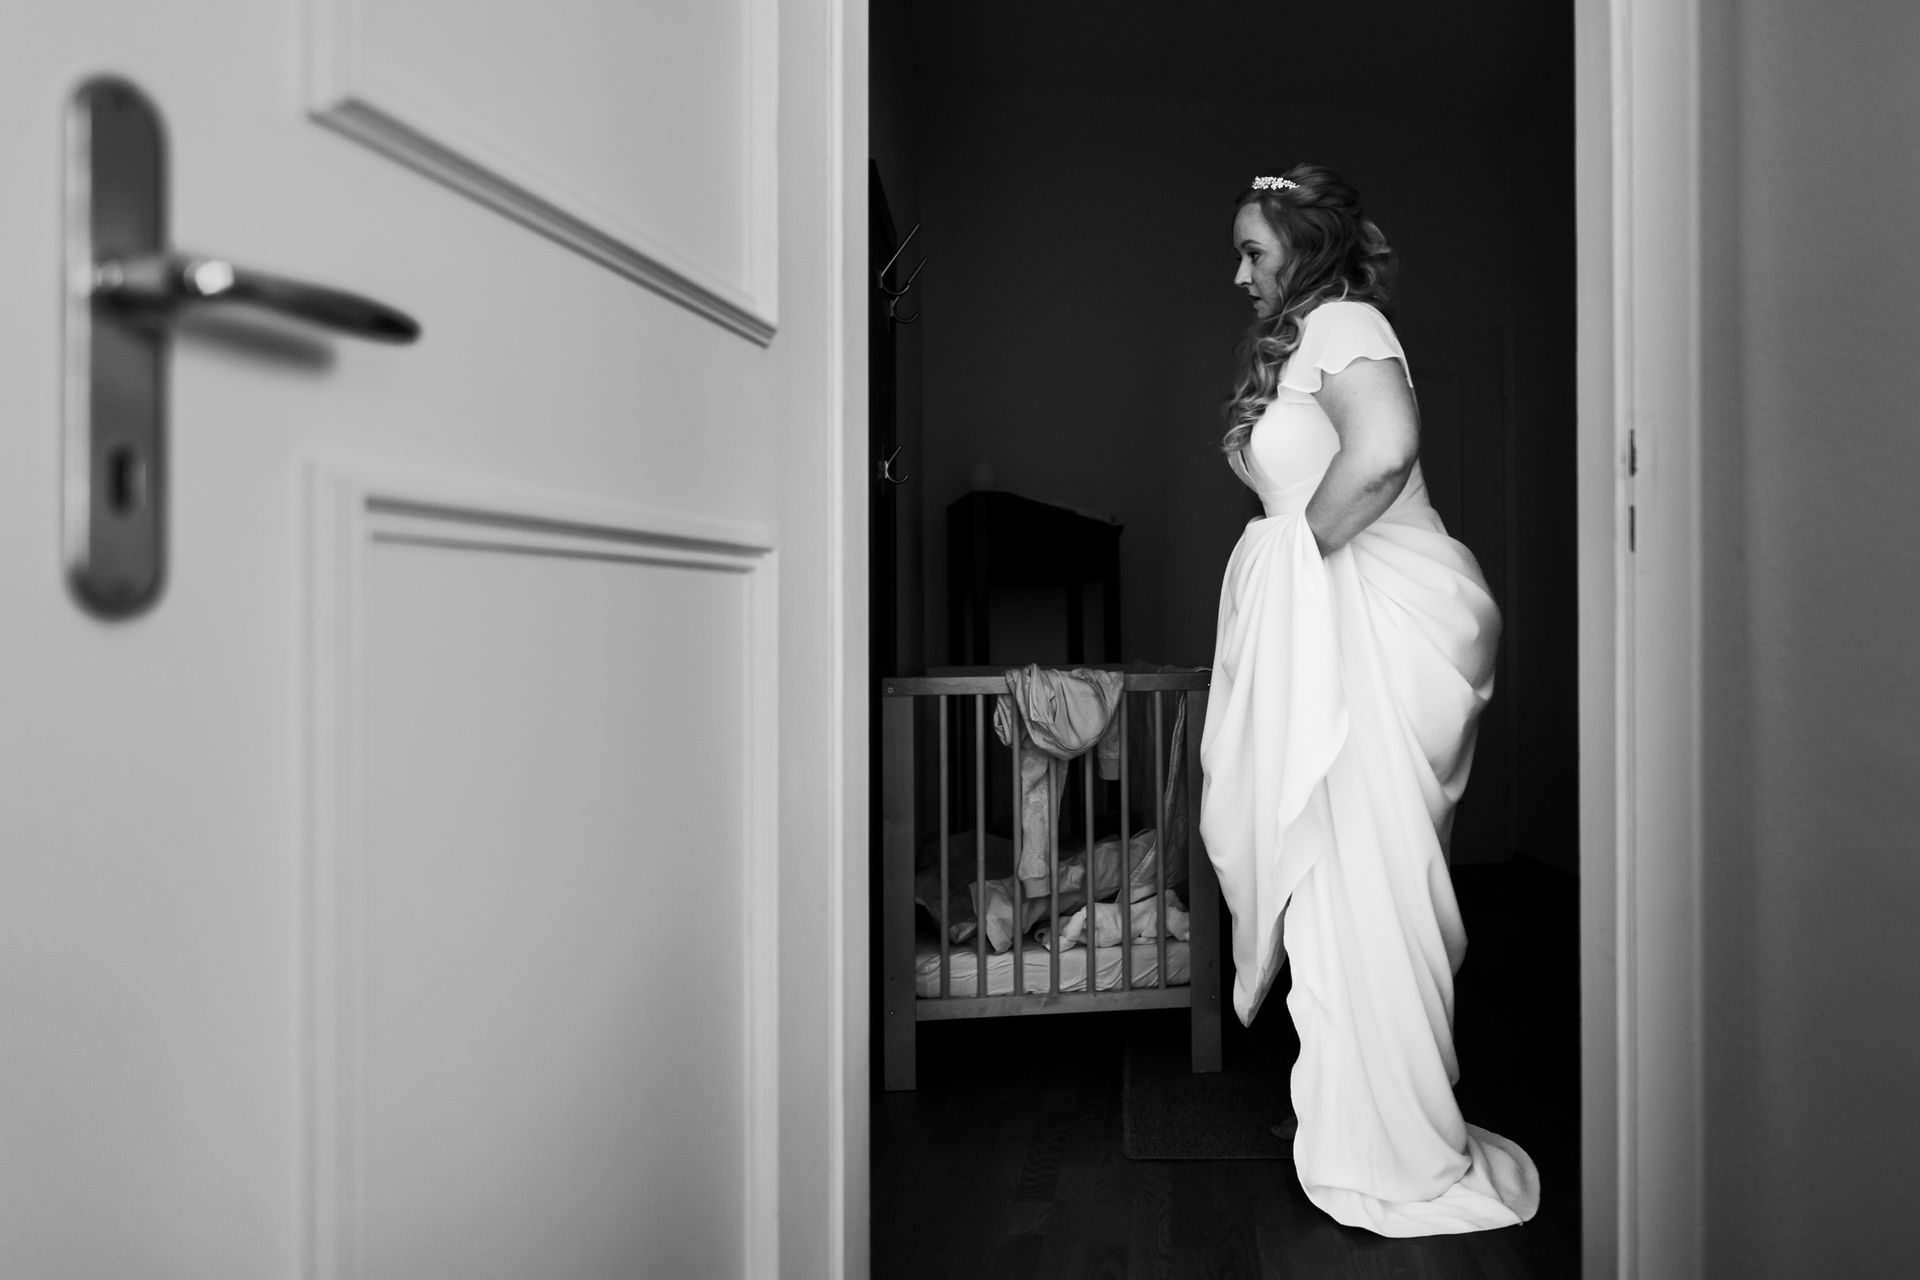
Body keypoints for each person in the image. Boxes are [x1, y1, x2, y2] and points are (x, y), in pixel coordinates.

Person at [1198, 163, 1542, 1236]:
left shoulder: (1346, 321)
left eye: (1254, 249)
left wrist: (1295, 561)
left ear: (1304, 247)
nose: (1239, 271)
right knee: (1346, 895)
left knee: (1376, 887)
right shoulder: (1307, 342)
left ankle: (1400, 1143)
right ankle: (1372, 1129)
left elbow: (1385, 451)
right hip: (1338, 628)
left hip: (1373, 631)